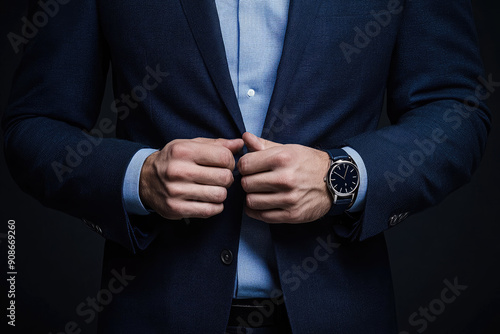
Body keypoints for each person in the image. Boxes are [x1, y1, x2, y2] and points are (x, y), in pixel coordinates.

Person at [2, 0, 491, 333]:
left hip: (340, 313)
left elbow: (456, 109)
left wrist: (341, 177)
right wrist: (139, 177)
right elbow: (33, 124)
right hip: (154, 313)